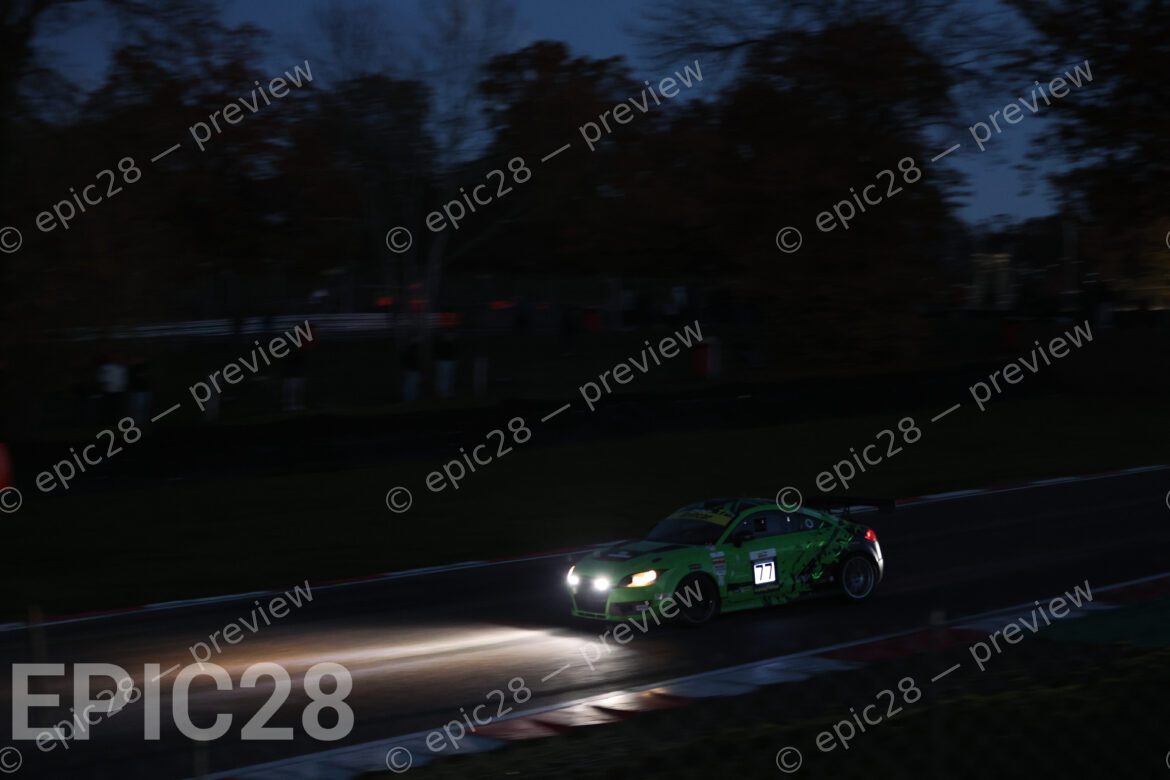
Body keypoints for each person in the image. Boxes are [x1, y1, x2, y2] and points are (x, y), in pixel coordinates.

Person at [435, 332, 456, 399]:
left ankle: (443, 391)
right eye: (450, 335)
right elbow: (448, 353)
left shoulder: (445, 343)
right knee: (445, 377)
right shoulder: (446, 343)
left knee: (444, 377)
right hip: (446, 362)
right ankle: (444, 392)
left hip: (445, 362)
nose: (451, 336)